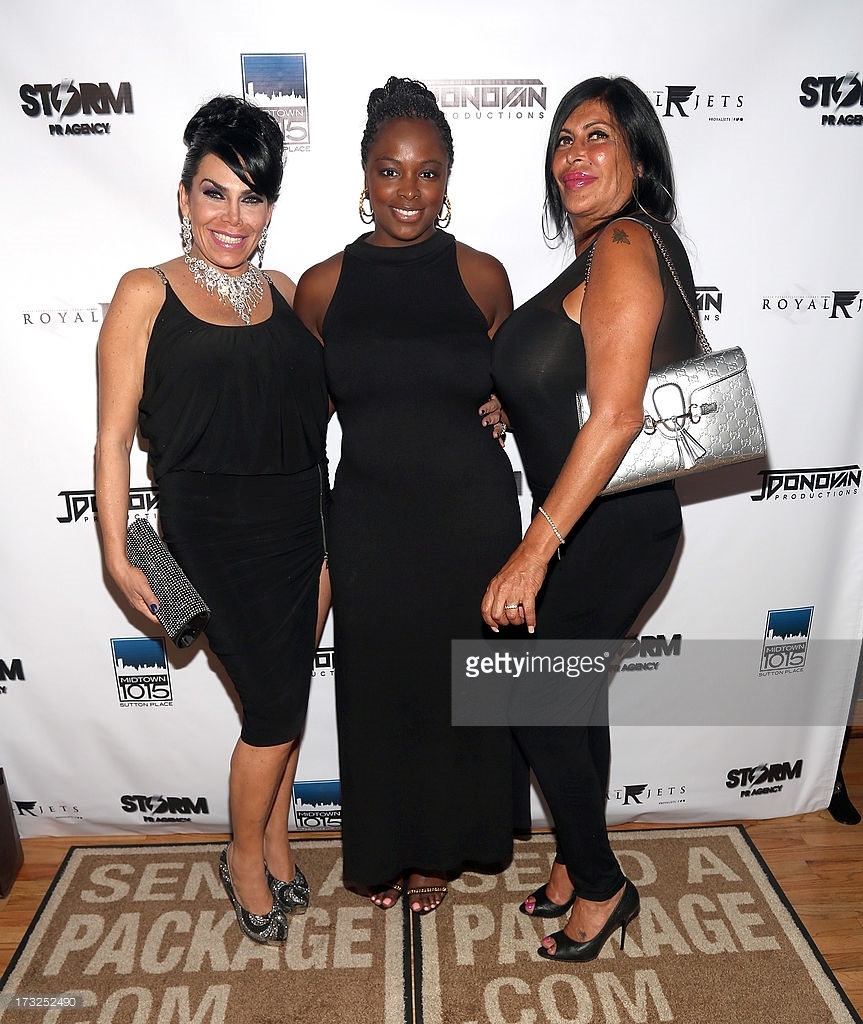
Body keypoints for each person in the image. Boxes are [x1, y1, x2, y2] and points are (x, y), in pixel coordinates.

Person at [94, 96, 330, 945]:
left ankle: (275, 840)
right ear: (184, 195)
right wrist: (118, 552)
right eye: (214, 192)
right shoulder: (144, 292)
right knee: (271, 712)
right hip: (211, 542)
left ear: (271, 206)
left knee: (288, 704)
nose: (233, 216)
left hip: (307, 530)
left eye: (252, 197)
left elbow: (350, 392)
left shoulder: (286, 291)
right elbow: (113, 439)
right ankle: (241, 858)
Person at [482, 76, 701, 961]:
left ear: (638, 157)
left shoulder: (621, 241)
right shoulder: (598, 255)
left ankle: (604, 887)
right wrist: (517, 402)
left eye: (599, 135)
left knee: (530, 698)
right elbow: (582, 376)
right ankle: (575, 863)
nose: (574, 153)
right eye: (564, 138)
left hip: (609, 529)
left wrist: (532, 551)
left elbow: (616, 416)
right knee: (567, 701)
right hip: (593, 526)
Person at [294, 76, 520, 914]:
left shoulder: (482, 276)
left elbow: (524, 373)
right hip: (369, 522)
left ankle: (442, 849)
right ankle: (385, 847)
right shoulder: (321, 286)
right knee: (381, 690)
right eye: (390, 171)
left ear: (447, 179)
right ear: (363, 175)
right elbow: (302, 418)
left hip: (471, 519)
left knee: (461, 685)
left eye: (428, 172)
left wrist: (511, 401)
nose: (409, 191)